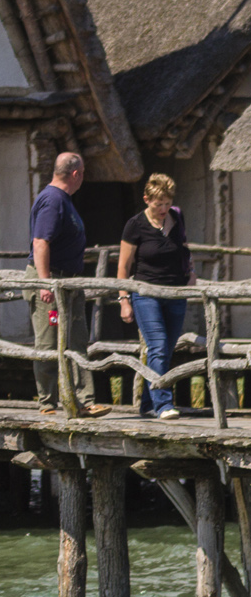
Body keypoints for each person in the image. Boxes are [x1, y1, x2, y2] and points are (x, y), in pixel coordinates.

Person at [119, 172, 197, 418]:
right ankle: (163, 405)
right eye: (158, 203)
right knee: (159, 346)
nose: (163, 208)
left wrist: (191, 271)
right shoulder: (135, 225)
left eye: (166, 202)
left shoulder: (176, 216)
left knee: (164, 350)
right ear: (146, 199)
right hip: (146, 293)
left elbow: (183, 248)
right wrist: (124, 300)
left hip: (175, 292)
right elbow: (123, 266)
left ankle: (147, 404)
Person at [30, 151, 99, 414]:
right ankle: (47, 402)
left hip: (69, 280)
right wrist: (45, 282)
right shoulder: (52, 200)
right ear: (75, 174)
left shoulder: (63, 200)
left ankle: (84, 401)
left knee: (77, 339)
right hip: (53, 280)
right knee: (49, 340)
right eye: (83, 173)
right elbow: (40, 242)